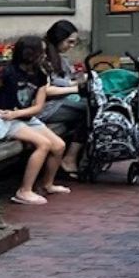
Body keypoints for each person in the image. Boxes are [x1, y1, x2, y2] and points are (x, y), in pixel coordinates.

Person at [0, 36, 68, 205]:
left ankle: (48, 184)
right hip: (6, 121)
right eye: (42, 51)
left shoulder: (40, 75)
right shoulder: (9, 72)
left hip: (24, 117)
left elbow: (38, 107)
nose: (45, 54)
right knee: (43, 144)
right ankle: (24, 191)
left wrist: (18, 114)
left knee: (59, 145)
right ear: (30, 54)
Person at [39, 20, 89, 180]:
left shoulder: (60, 59)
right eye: (70, 41)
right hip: (46, 107)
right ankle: (70, 158)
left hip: (60, 102)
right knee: (90, 109)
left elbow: (68, 80)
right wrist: (76, 88)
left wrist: (84, 79)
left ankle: (76, 156)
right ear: (59, 38)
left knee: (93, 106)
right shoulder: (42, 59)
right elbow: (46, 89)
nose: (72, 46)